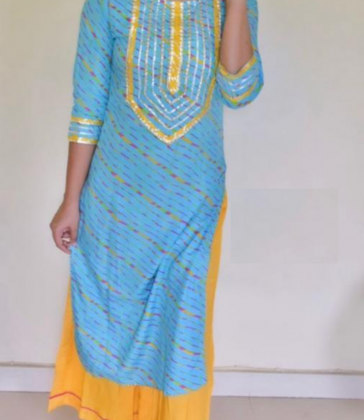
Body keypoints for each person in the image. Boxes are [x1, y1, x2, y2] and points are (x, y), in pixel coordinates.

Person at [48, 0, 264, 418]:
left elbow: (240, 90)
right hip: (117, 198)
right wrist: (70, 199)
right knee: (116, 319)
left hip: (193, 203)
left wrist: (237, 5)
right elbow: (87, 109)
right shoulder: (106, 5)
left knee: (182, 333)